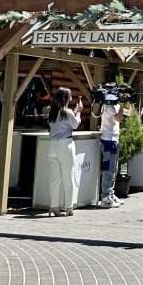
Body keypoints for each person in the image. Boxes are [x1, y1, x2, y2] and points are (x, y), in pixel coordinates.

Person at [47, 88, 81, 217]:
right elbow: (75, 124)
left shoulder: (53, 111)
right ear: (66, 98)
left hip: (53, 145)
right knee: (68, 176)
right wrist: (78, 112)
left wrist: (75, 111)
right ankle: (69, 207)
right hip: (65, 145)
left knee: (54, 179)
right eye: (70, 96)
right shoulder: (67, 112)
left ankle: (54, 206)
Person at [97, 91, 132, 209]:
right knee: (108, 170)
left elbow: (130, 114)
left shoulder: (115, 105)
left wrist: (130, 104)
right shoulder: (107, 106)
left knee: (113, 169)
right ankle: (105, 197)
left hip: (114, 140)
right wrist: (122, 105)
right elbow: (118, 118)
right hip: (108, 141)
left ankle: (110, 194)